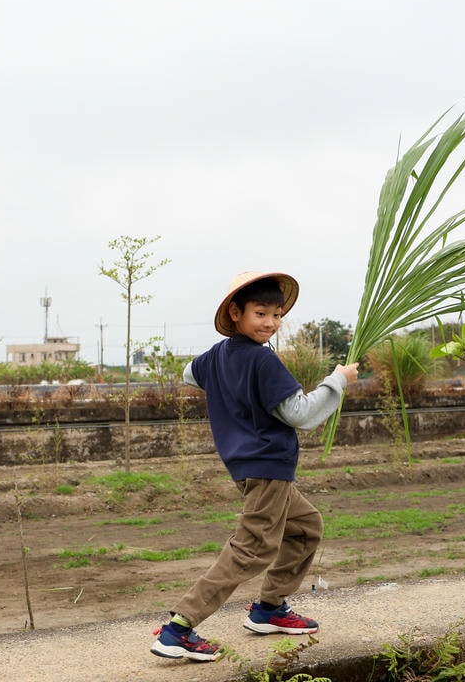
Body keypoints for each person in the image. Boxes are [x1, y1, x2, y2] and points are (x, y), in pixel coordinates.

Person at [150, 271, 360, 662]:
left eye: (277, 315)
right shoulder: (263, 360)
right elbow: (300, 414)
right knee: (252, 548)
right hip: (268, 465)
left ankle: (269, 609)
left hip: (248, 466)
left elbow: (188, 373)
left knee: (305, 527)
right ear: (236, 312)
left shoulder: (217, 356)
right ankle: (179, 628)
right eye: (260, 313)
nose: (270, 323)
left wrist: (229, 388)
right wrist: (338, 380)